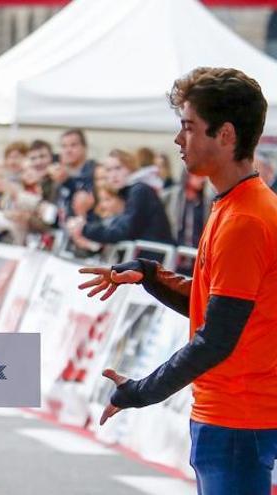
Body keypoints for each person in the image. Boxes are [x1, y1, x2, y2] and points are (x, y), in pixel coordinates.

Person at [78, 67, 277, 495]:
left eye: (188, 127)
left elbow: (217, 337)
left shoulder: (244, 218)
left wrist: (139, 392)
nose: (177, 140)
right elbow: (219, 305)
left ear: (225, 135)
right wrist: (151, 275)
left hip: (237, 418)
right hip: (234, 416)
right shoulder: (236, 204)